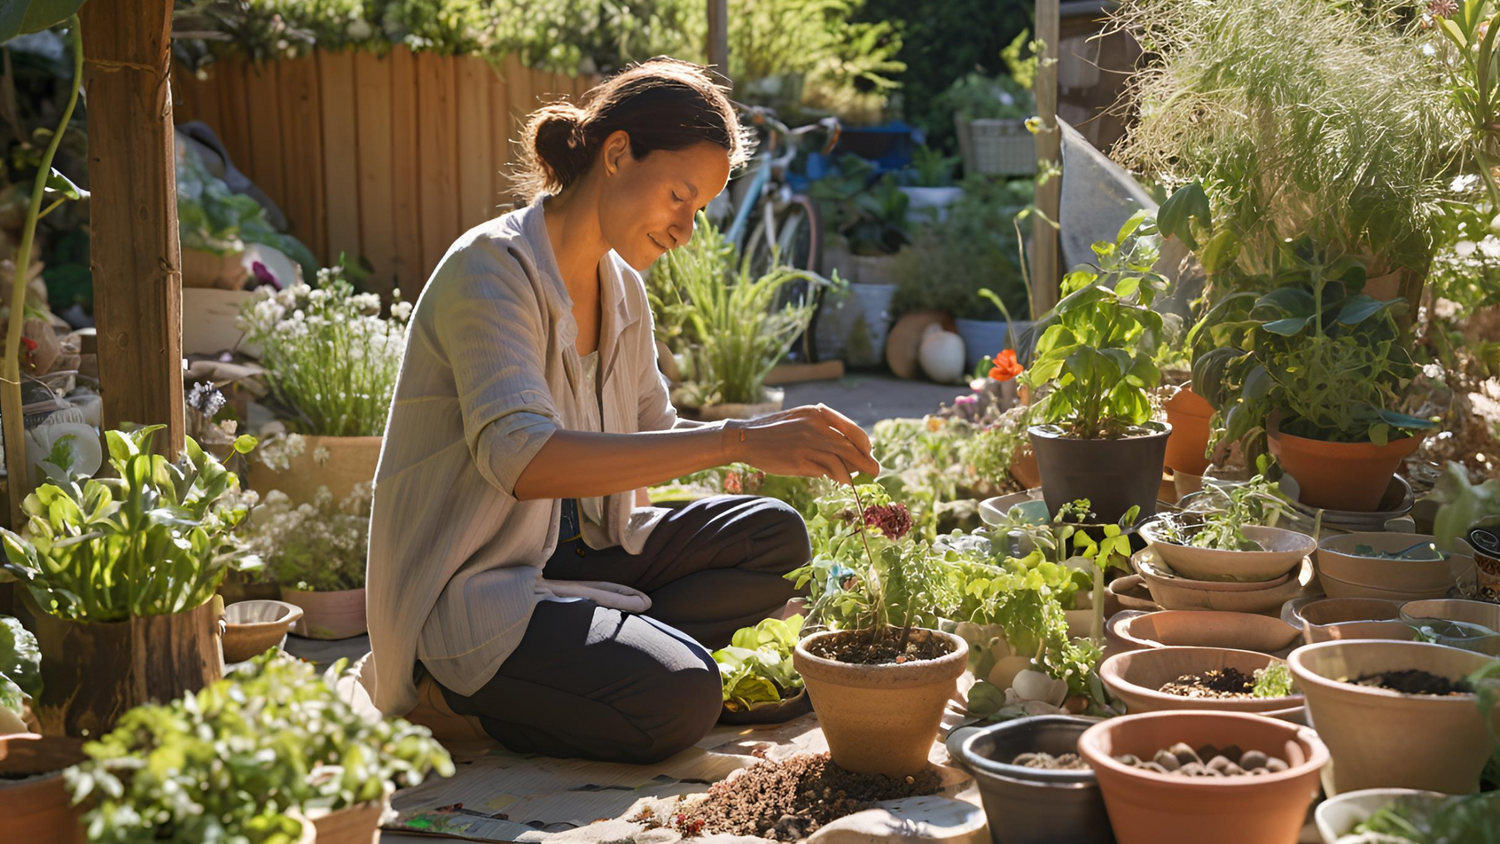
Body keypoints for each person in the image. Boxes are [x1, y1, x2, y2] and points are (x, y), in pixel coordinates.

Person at [363, 57, 880, 764]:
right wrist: (735, 439)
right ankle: (453, 701)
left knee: (775, 539)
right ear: (616, 153)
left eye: (698, 211)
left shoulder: (622, 289)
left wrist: (761, 447)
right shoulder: (489, 271)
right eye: (678, 196)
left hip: (587, 556)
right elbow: (522, 459)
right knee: (685, 697)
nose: (685, 229)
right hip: (481, 587)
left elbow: (653, 435)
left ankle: (603, 659)